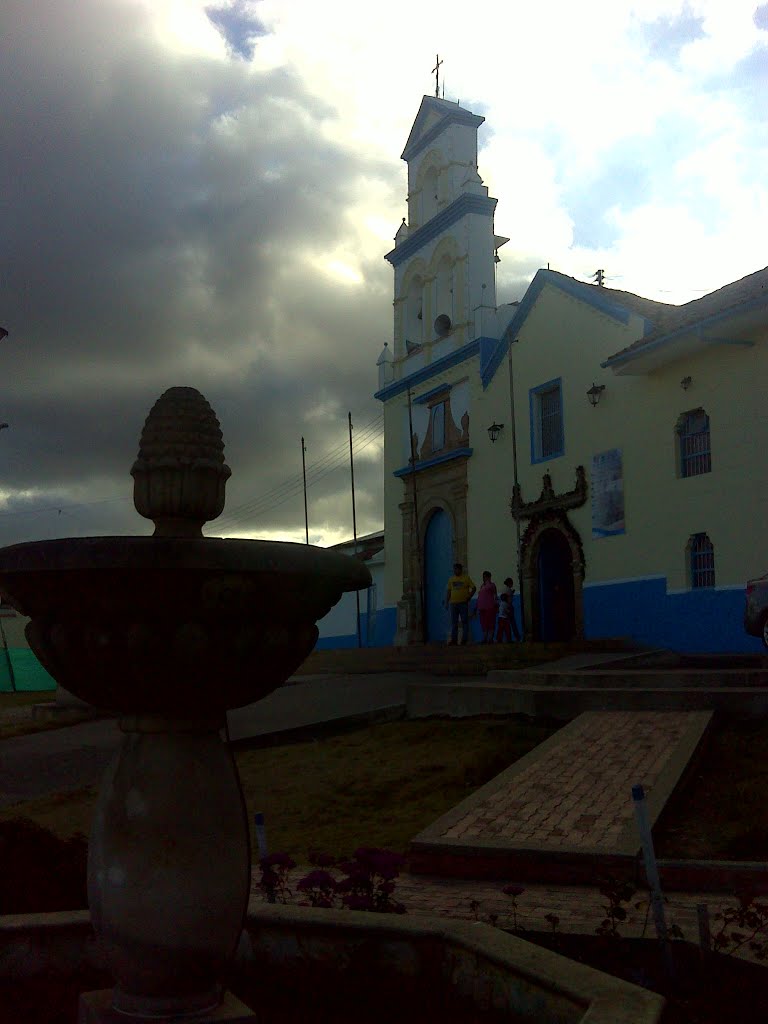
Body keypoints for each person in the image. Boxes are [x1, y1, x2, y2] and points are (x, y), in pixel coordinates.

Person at [444, 562, 476, 645]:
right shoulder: (451, 579)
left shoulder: (466, 578)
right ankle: (454, 640)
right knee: (454, 623)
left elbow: (474, 588)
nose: (455, 571)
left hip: (463, 603)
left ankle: (464, 640)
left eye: (457, 569)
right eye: (454, 569)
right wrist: (447, 602)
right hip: (453, 603)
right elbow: (448, 591)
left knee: (464, 621)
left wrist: (469, 596)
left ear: (460, 570)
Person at [476, 570, 498, 644]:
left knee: (491, 623)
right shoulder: (482, 586)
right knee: (484, 624)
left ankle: (490, 638)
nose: (484, 578)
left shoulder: (492, 585)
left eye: (485, 577)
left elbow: (495, 595)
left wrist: (496, 604)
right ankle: (485, 638)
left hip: (490, 607)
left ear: (489, 577)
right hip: (482, 608)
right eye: (483, 576)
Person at [498, 576, 521, 642]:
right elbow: (509, 599)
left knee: (504, 626)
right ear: (509, 583)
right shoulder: (508, 590)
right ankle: (516, 637)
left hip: (503, 610)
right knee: (512, 623)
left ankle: (504, 638)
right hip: (508, 607)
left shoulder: (504, 589)